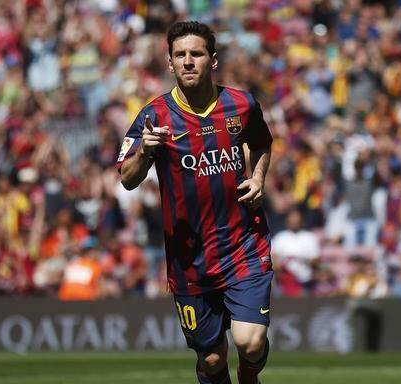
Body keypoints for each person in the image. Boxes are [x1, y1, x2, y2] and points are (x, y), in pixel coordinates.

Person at [118, 21, 273, 384]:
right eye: (180, 55)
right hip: (190, 260)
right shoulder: (153, 116)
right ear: (170, 63)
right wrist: (145, 152)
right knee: (213, 358)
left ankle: (250, 377)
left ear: (212, 61)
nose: (188, 61)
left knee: (250, 343)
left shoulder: (241, 104)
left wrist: (259, 177)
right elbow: (127, 179)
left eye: (197, 54)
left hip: (243, 245)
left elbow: (263, 142)